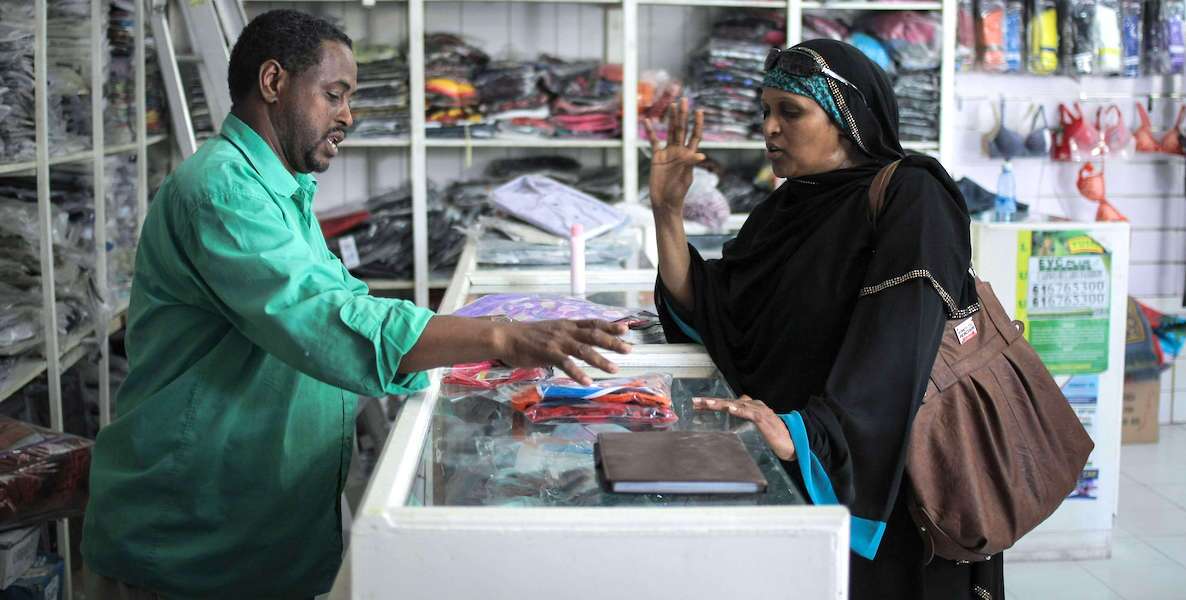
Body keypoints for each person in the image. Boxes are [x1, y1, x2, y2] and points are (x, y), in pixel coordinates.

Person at [81, 10, 630, 599]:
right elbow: (323, 320)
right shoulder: (222, 192)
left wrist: (467, 342)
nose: (348, 116)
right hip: (190, 537)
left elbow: (344, 301)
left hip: (252, 527)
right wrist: (498, 336)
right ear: (273, 82)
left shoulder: (275, 189)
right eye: (334, 95)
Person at [644, 39, 1001, 599]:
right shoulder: (786, 208)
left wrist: (809, 434)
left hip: (888, 482)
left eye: (791, 111)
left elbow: (897, 348)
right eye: (765, 112)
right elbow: (713, 307)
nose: (770, 130)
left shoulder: (913, 196)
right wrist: (667, 212)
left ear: (847, 117)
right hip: (793, 467)